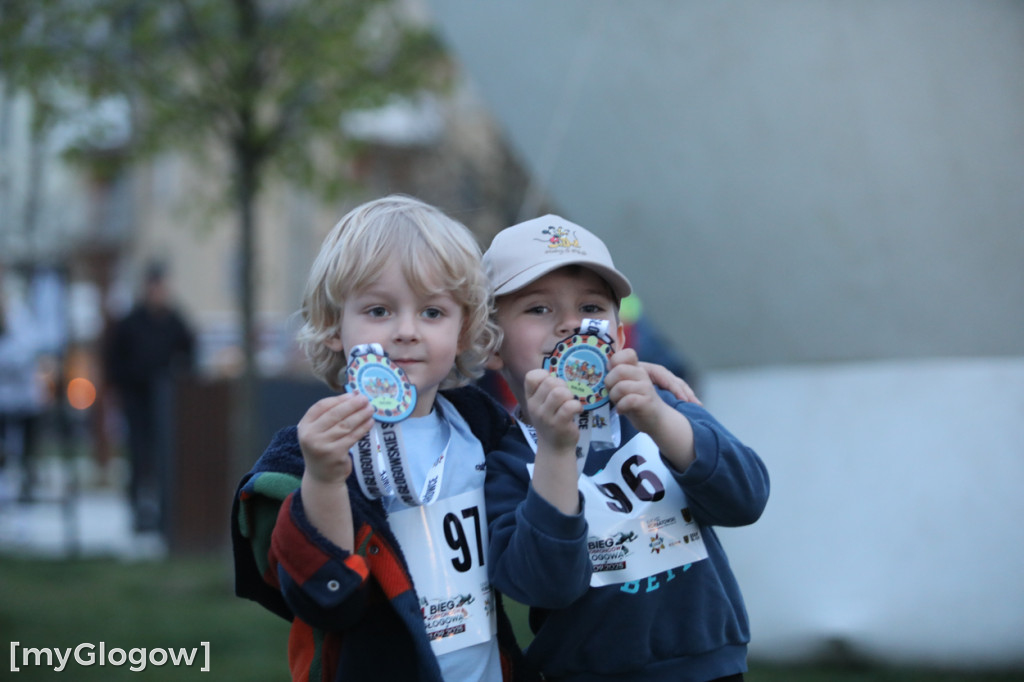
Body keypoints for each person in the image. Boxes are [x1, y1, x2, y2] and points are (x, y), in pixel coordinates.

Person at [230, 195, 537, 682]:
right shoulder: (312, 450)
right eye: (378, 310)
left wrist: (623, 388)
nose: (406, 331)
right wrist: (325, 479)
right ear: (334, 326)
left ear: (463, 332)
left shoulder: (481, 425)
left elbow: (562, 457)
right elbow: (324, 599)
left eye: (433, 312)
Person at [481, 214, 770, 682]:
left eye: (591, 308)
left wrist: (658, 417)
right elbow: (545, 585)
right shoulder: (506, 464)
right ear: (490, 344)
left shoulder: (662, 407)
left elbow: (747, 499)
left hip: (709, 667)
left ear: (616, 334)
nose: (571, 325)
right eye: (539, 309)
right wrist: (556, 452)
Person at [104, 262, 196, 536]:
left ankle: (162, 510)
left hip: (166, 402)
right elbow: (115, 361)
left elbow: (190, 355)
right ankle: (137, 510)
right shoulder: (131, 323)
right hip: (137, 400)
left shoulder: (175, 321)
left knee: (163, 456)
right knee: (138, 455)